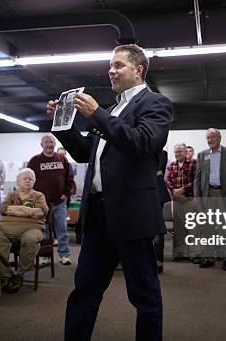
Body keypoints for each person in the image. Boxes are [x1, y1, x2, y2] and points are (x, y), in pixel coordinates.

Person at [48, 44, 171, 341]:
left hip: (132, 214)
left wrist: (97, 114)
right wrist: (62, 124)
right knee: (84, 290)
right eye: (110, 66)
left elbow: (142, 142)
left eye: (118, 65)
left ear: (138, 70)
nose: (111, 71)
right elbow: (83, 153)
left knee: (145, 298)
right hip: (98, 214)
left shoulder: (156, 103)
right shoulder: (113, 110)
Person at [0, 168, 48, 293]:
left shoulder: (39, 195)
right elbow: (3, 209)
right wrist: (28, 211)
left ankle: (19, 275)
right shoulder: (11, 195)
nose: (28, 181)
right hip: (6, 227)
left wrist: (15, 210)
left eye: (31, 179)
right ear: (18, 182)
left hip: (32, 227)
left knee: (31, 240)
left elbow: (42, 212)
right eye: (25, 179)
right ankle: (5, 274)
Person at [193, 128, 226, 270]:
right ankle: (209, 257)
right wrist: (196, 196)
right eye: (208, 138)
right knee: (207, 227)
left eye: (212, 137)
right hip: (208, 194)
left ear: (219, 138)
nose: (210, 140)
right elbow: (197, 178)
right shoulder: (202, 155)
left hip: (224, 194)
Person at [27, 134, 75, 265]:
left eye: (52, 142)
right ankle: (45, 256)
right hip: (41, 204)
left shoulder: (62, 160)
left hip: (59, 203)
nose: (49, 144)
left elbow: (70, 179)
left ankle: (64, 255)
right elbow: (28, 179)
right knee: (44, 231)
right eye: (47, 142)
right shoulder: (35, 161)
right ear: (42, 145)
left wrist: (66, 194)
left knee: (62, 230)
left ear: (55, 144)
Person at [165, 143, 197, 261]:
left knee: (192, 227)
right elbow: (168, 181)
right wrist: (174, 193)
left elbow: (196, 181)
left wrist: (182, 190)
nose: (178, 154)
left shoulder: (193, 163)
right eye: (176, 152)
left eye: (180, 151)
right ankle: (180, 253)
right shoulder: (172, 165)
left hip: (189, 199)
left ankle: (194, 254)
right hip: (177, 201)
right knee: (178, 228)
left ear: (185, 152)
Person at [154, 149, 171, 273]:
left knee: (157, 231)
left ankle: (158, 262)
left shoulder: (162, 153)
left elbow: (158, 171)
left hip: (157, 194)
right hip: (141, 194)